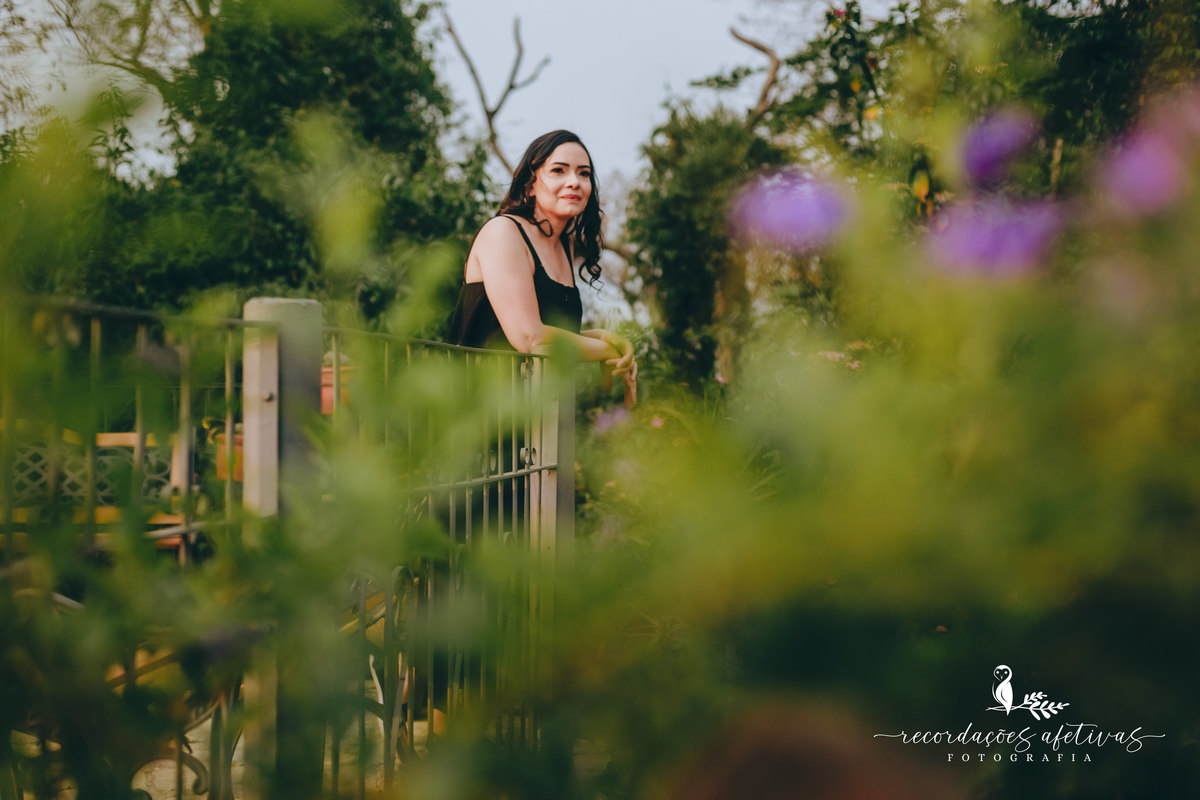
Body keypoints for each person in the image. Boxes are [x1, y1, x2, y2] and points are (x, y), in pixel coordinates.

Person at [447, 129, 637, 405]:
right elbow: (530, 336)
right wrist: (606, 350)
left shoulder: (562, 246)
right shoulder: (504, 232)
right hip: (481, 415)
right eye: (559, 170)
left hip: (538, 416)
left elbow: (551, 333)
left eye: (584, 174)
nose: (574, 182)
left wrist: (607, 339)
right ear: (530, 185)